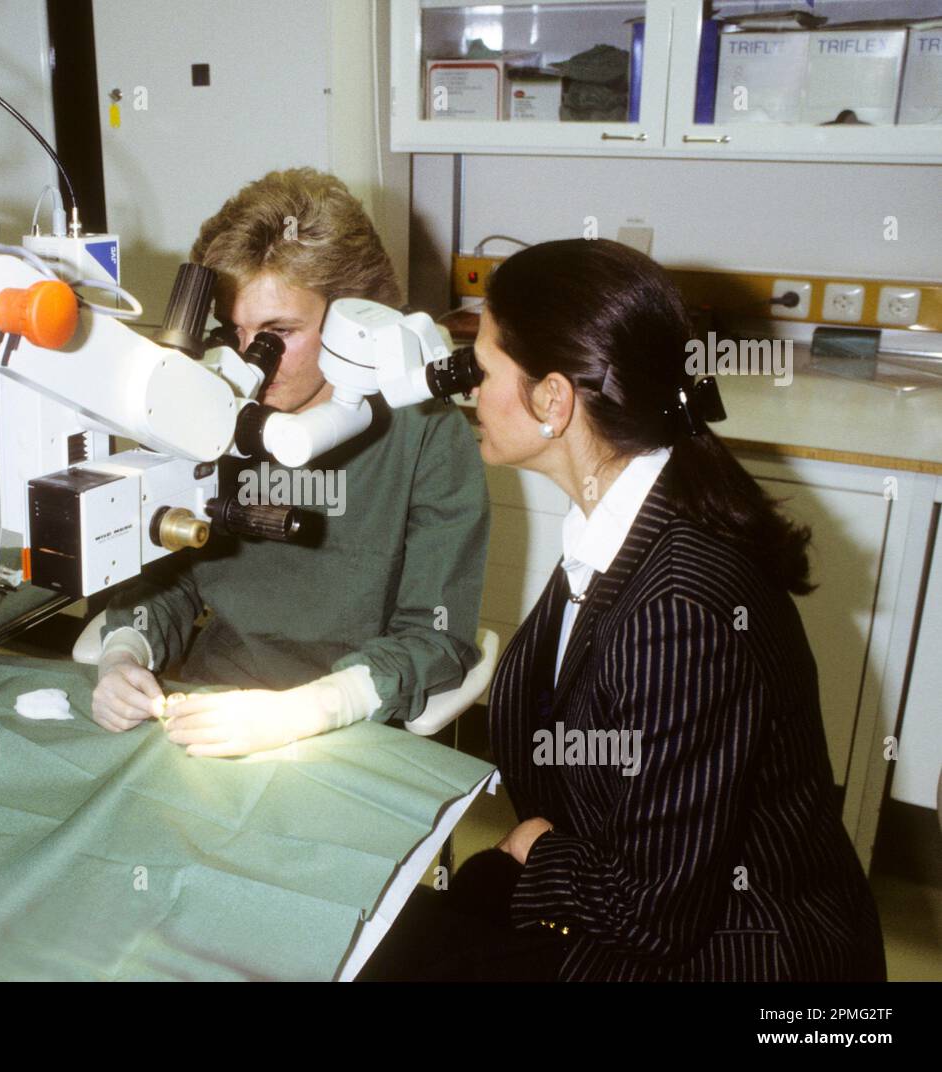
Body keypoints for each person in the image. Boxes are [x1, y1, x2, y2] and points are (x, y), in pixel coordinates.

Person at [363, 238, 885, 982]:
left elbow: (650, 910)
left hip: (737, 954)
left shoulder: (679, 604)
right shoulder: (628, 517)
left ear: (552, 399)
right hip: (631, 884)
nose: (465, 390)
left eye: (479, 370)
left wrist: (539, 849)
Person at [88, 168, 490, 757]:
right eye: (236, 332)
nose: (254, 363)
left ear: (359, 322)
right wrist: (126, 650)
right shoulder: (213, 414)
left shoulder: (427, 433)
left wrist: (310, 709)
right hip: (209, 703)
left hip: (359, 719)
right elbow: (166, 582)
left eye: (279, 332)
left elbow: (435, 637)